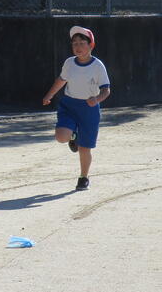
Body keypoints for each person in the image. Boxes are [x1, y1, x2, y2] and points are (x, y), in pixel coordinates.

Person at [42, 26, 111, 191]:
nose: (78, 47)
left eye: (82, 43)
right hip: (70, 105)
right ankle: (74, 135)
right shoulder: (69, 63)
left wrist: (97, 99)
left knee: (84, 148)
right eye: (74, 44)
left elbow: (106, 90)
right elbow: (61, 79)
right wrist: (49, 95)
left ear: (91, 45)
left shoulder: (98, 66)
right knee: (61, 137)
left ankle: (83, 177)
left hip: (89, 109)